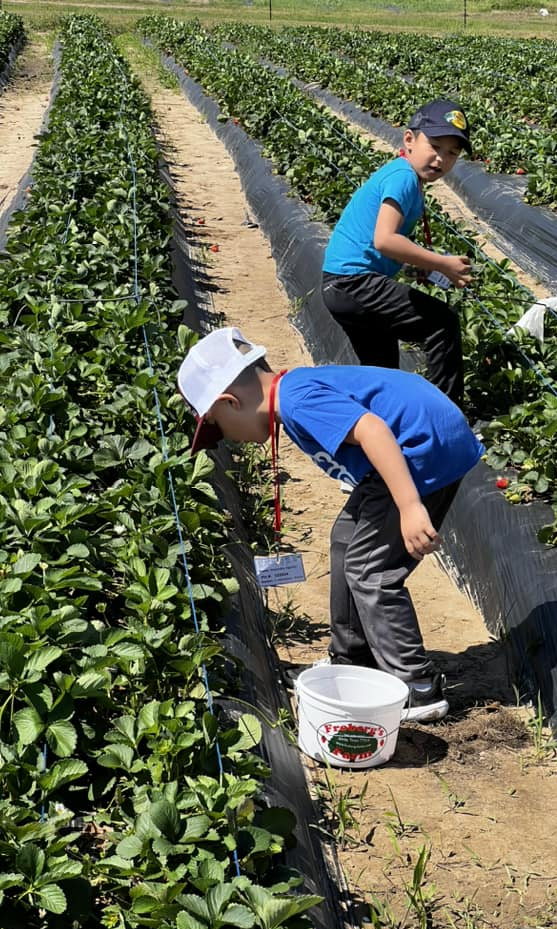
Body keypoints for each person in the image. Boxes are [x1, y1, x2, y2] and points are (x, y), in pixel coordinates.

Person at [178, 326, 484, 723]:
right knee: (346, 538)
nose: (227, 439)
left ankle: (416, 685)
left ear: (230, 402)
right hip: (416, 444)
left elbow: (373, 430)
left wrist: (409, 506)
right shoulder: (293, 390)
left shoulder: (298, 402)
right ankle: (352, 656)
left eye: (219, 427)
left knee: (371, 570)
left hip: (422, 451)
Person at [321, 99, 473, 410]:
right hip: (354, 282)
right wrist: (442, 263)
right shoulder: (403, 178)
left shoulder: (403, 176)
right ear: (409, 139)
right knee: (442, 324)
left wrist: (415, 266)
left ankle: (378, 427)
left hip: (340, 285)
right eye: (435, 145)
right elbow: (385, 240)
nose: (441, 159)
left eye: (452, 153)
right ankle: (445, 416)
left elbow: (385, 246)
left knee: (383, 373)